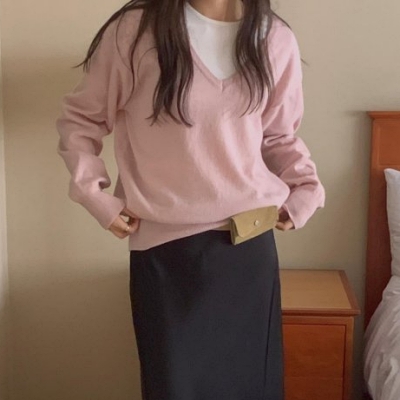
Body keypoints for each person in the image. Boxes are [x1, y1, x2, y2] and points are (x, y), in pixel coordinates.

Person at [56, 0, 325, 399]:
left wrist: (306, 188)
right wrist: (94, 195)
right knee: (173, 388)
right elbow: (81, 120)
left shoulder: (274, 38)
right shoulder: (135, 31)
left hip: (249, 248)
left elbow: (278, 136)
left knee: (249, 388)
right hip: (165, 255)